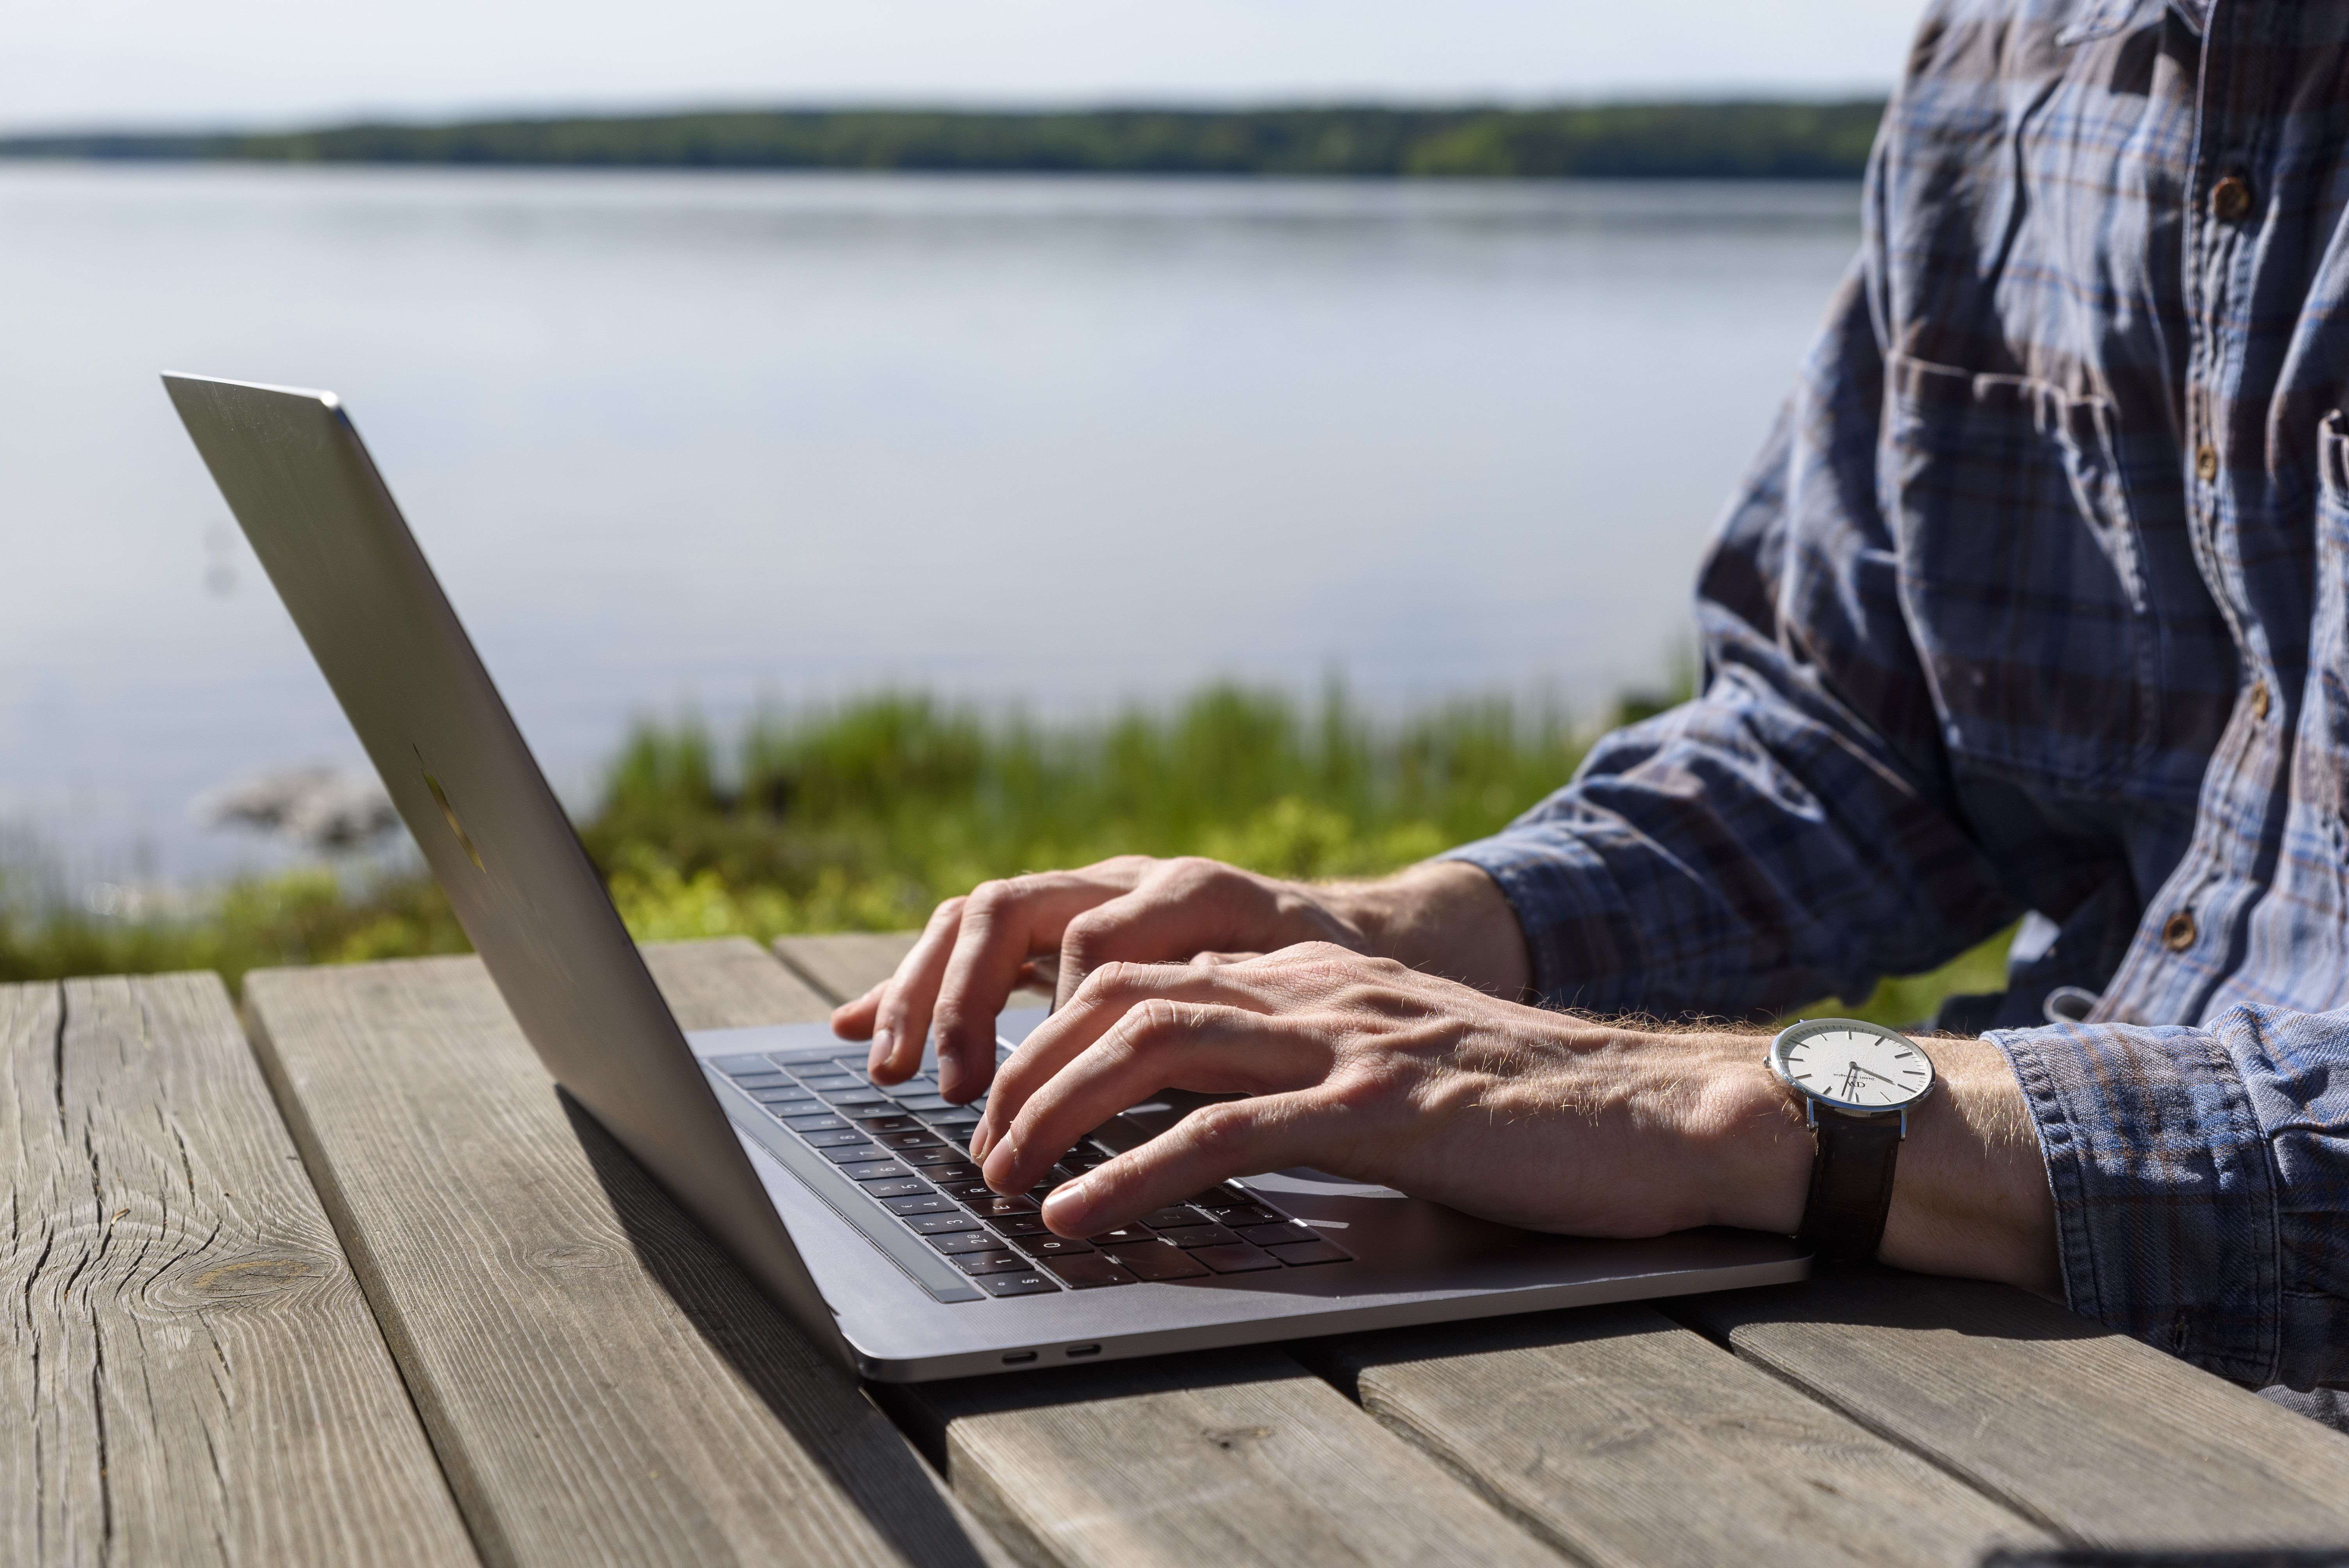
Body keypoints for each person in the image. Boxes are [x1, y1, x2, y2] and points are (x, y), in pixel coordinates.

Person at [838, 0, 2348, 1414]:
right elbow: (1854, 747)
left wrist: (1712, 1110)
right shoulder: (2009, 52)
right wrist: (1416, 933)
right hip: (2008, 1329)